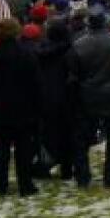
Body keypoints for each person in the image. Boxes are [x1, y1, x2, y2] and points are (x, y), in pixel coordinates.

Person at [67, 12, 110, 189]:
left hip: (86, 95)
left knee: (81, 139)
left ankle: (82, 176)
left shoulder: (78, 45)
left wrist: (74, 98)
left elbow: (73, 77)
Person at [0, 19, 42, 197]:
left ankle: (0, 186)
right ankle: (25, 185)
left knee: (0, 151)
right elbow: (36, 84)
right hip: (24, 109)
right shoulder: (27, 54)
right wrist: (37, 108)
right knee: (23, 150)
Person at [36, 19, 74, 179]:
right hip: (66, 97)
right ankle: (66, 169)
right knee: (67, 135)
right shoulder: (70, 51)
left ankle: (44, 166)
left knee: (46, 135)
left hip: (45, 98)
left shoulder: (40, 52)